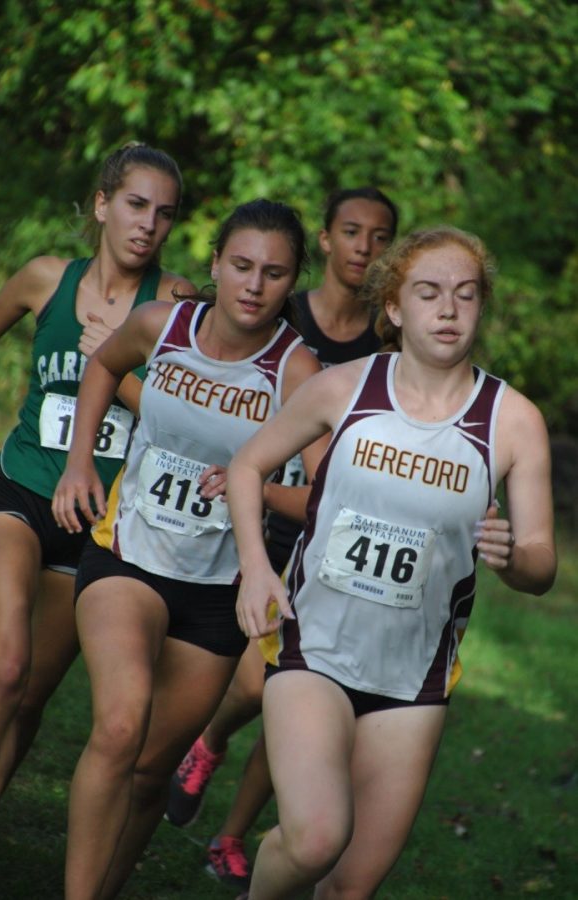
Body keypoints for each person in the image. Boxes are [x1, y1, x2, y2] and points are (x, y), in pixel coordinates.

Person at [227, 225, 557, 899]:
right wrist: (257, 568)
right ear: (395, 307)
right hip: (313, 651)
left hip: (412, 683)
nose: (447, 310)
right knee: (317, 838)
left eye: (465, 296)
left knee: (349, 886)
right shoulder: (342, 388)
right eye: (429, 293)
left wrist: (510, 559)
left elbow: (540, 562)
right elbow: (246, 464)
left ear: (479, 308)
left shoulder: (512, 421)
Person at [51, 198, 328, 899]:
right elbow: (101, 369)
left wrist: (255, 488)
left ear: (291, 282)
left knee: (150, 769)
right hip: (127, 556)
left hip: (215, 593)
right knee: (119, 727)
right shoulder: (160, 325)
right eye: (240, 265)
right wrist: (79, 461)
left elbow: (327, 495)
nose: (253, 284)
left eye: (273, 273)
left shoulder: (299, 372)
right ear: (214, 265)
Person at [0, 142, 194, 899]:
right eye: (135, 205)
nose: (147, 226)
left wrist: (118, 371)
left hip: (99, 522)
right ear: (102, 204)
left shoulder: (174, 302)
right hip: (22, 488)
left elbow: (187, 421)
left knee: (31, 693)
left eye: (164, 214)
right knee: (3, 665)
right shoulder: (45, 278)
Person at [165, 186, 398, 891]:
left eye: (380, 236)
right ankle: (204, 744)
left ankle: (231, 827)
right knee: (259, 682)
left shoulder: (387, 341)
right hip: (240, 507)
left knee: (291, 687)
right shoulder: (278, 308)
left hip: (321, 523)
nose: (363, 246)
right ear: (323, 243)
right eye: (350, 231)